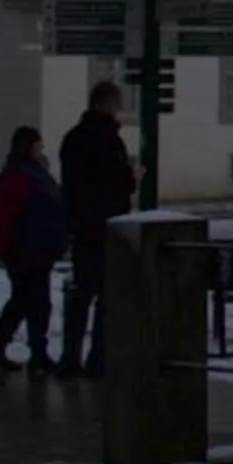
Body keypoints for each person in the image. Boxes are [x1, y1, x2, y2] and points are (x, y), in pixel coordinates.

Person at [57, 80, 136, 379]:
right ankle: (98, 358)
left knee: (81, 295)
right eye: (117, 104)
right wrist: (130, 178)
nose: (120, 111)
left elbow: (73, 185)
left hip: (81, 227)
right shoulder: (108, 139)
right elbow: (120, 183)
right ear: (107, 105)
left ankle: (70, 356)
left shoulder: (73, 138)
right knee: (106, 297)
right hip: (106, 227)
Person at [0, 125, 68, 375]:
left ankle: (13, 350)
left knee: (27, 301)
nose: (41, 148)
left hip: (34, 246)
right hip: (27, 248)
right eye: (38, 144)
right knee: (31, 301)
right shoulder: (21, 175)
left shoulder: (28, 172)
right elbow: (12, 215)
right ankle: (28, 352)